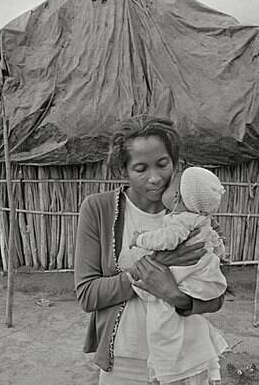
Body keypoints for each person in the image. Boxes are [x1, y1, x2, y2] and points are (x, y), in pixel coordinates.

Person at [75, 116, 226, 385]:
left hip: (185, 359)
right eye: (140, 168)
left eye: (162, 164)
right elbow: (87, 295)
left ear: (176, 163)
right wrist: (155, 265)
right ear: (125, 170)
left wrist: (175, 295)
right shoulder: (98, 209)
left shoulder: (195, 216)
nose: (154, 178)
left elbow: (215, 295)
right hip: (123, 361)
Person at [125, 166, 229, 383]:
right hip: (199, 279)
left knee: (163, 325)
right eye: (140, 167)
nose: (156, 178)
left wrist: (139, 239)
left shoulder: (180, 220)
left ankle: (170, 367)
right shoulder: (201, 219)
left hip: (184, 281)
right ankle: (196, 363)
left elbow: (167, 239)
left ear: (177, 196)